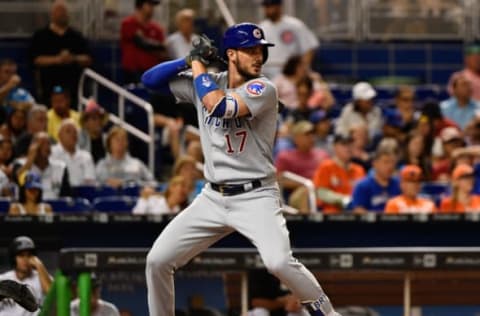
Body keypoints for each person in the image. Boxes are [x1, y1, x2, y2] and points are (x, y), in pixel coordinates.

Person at [141, 23, 341, 316]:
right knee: (157, 261)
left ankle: (327, 313)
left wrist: (197, 65)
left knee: (279, 263)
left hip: (256, 195)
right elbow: (150, 82)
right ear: (231, 54)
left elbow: (218, 106)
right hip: (212, 198)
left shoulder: (263, 88)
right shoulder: (206, 81)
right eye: (249, 50)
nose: (258, 56)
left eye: (260, 50)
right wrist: (187, 60)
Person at [29, 0, 92, 104]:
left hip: (72, 89)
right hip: (48, 89)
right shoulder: (40, 36)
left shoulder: (76, 36)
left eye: (64, 11)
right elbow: (36, 60)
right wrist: (58, 59)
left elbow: (88, 58)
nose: (62, 14)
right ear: (52, 14)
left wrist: (72, 58)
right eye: (59, 11)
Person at [259, 0, 319, 79]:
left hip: (290, 74)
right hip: (267, 74)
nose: (268, 9)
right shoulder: (261, 27)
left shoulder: (295, 25)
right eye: (266, 6)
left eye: (271, 6)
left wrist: (302, 71)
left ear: (279, 6)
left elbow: (309, 48)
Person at [0, 236, 52, 316]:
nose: (25, 259)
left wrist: (39, 265)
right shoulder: (3, 279)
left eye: (29, 255)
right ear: (14, 258)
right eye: (21, 255)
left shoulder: (42, 277)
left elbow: (54, 296)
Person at [313, 135, 365, 214]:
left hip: (356, 215)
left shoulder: (359, 169)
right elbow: (321, 193)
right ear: (335, 147)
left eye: (350, 144)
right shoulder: (326, 167)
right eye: (343, 144)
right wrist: (344, 200)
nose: (348, 148)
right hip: (332, 215)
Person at [13, 132, 71, 199]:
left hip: (54, 207)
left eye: (48, 143)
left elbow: (66, 197)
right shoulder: (20, 164)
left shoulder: (60, 167)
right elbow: (18, 179)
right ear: (32, 147)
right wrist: (29, 161)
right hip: (28, 207)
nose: (46, 146)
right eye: (42, 143)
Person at [120, 0, 167, 84]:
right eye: (149, 4)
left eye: (153, 5)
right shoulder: (128, 23)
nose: (152, 8)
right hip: (133, 72)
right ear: (140, 5)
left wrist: (156, 46)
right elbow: (141, 43)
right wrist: (157, 46)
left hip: (152, 72)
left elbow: (163, 51)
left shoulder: (156, 28)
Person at [276, 120, 329, 191]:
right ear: (296, 138)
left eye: (312, 134)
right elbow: (279, 179)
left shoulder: (322, 154)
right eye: (307, 134)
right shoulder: (285, 157)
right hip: (299, 193)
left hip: (323, 191)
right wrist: (307, 183)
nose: (311, 137)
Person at [351, 148, 400, 213]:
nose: (390, 166)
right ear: (375, 164)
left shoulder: (399, 184)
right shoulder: (363, 186)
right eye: (386, 162)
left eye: (392, 162)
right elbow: (358, 211)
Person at [51, 119, 96, 186]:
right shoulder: (51, 153)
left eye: (75, 132)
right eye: (68, 131)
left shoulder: (86, 156)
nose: (73, 134)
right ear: (59, 135)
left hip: (81, 194)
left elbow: (90, 181)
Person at [77, 99, 109, 163]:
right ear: (86, 123)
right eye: (94, 118)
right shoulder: (78, 138)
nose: (98, 121)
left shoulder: (107, 139)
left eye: (100, 118)